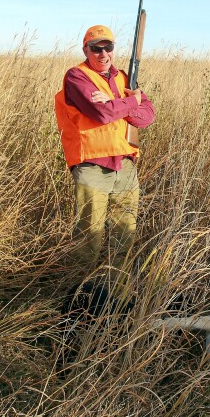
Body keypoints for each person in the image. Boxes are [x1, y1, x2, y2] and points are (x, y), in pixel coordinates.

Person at [54, 25, 155, 272]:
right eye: (95, 49)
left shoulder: (124, 78)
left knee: (125, 237)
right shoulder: (76, 76)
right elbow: (101, 113)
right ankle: (78, 301)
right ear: (85, 50)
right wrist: (132, 101)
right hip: (92, 166)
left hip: (126, 166)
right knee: (89, 239)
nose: (103, 54)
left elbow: (147, 117)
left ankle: (115, 293)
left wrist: (117, 103)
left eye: (107, 47)